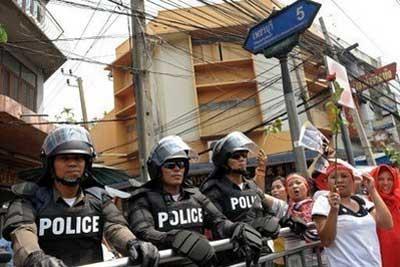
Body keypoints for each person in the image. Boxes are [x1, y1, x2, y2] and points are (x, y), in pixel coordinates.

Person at [2, 125, 159, 267]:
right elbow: (22, 232)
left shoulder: (99, 198)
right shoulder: (28, 198)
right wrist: (36, 258)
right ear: (50, 164)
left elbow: (115, 227)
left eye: (78, 158)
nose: (72, 164)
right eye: (64, 158)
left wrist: (132, 243)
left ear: (87, 163)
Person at [128, 135, 262, 267]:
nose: (177, 169)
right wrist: (173, 238)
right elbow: (144, 231)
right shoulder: (143, 197)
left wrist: (236, 228)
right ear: (157, 168)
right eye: (170, 165)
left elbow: (219, 222)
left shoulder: (195, 195)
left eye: (181, 164)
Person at [200, 132, 305, 239]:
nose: (242, 159)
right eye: (236, 156)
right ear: (223, 161)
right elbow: (218, 225)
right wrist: (248, 228)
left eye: (244, 155)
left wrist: (286, 221)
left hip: (262, 248)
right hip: (234, 250)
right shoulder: (213, 189)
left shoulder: (252, 186)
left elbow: (269, 213)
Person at [312, 162, 393, 267]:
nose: (339, 180)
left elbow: (387, 224)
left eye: (344, 176)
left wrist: (372, 190)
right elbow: (326, 241)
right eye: (333, 177)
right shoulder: (323, 201)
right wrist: (334, 210)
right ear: (327, 182)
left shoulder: (362, 201)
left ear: (353, 181)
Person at [370, 164, 400, 267]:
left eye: (390, 179)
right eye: (381, 179)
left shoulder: (398, 201)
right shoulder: (368, 204)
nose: (386, 183)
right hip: (380, 254)